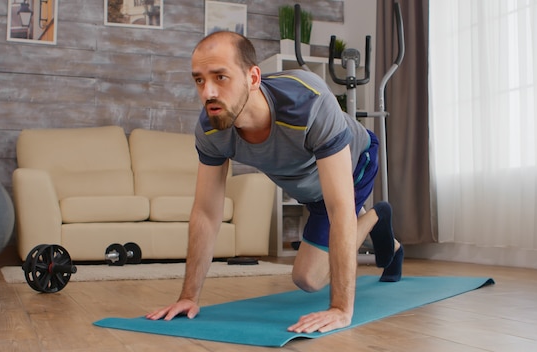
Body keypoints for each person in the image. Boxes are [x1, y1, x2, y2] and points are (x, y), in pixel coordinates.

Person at [146, 31, 403, 334]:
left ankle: (376, 215)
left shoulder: (309, 103)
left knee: (308, 279)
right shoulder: (212, 129)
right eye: (199, 80)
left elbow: (340, 207)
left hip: (352, 166)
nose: (208, 92)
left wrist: (340, 309)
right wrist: (189, 297)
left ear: (253, 77)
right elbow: (205, 212)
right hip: (310, 187)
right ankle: (382, 231)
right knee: (313, 267)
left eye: (220, 77)